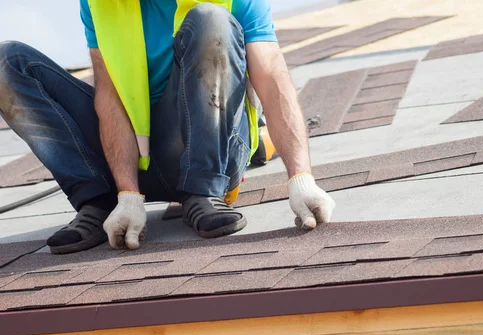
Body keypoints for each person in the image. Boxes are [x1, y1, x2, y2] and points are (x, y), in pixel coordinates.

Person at [0, 0, 335, 255]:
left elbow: (272, 74)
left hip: (207, 148)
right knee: (7, 63)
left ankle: (204, 191)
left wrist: (301, 178)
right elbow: (109, 93)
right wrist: (127, 193)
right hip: (132, 160)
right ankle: (99, 203)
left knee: (210, 17)